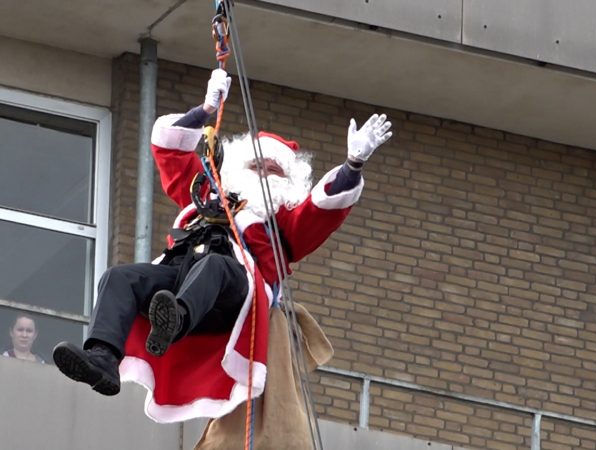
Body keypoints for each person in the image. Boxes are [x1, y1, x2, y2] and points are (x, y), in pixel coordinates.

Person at [52, 68, 392, 422]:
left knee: (214, 267)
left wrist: (353, 164)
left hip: (233, 293)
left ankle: (173, 323)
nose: (263, 172)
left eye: (274, 170)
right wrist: (204, 111)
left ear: (289, 182)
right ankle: (103, 359)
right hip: (180, 276)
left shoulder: (283, 222)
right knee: (119, 277)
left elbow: (323, 209)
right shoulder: (206, 191)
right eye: (256, 164)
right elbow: (169, 150)